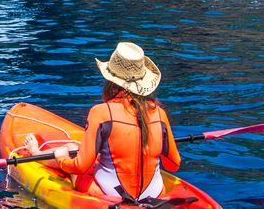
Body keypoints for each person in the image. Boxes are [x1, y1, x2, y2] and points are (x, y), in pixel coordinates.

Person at [29, 42, 181, 204]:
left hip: (111, 196)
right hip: (155, 194)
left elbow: (80, 166)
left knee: (69, 149)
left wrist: (62, 159)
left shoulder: (100, 112)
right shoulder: (159, 113)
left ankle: (35, 154)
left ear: (111, 82)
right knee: (81, 151)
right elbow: (173, 165)